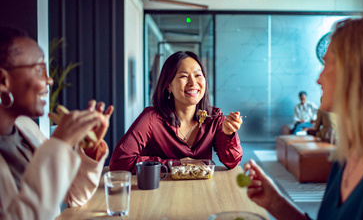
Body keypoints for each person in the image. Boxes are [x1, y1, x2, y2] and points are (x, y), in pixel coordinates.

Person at [244, 16, 363, 220]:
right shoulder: (348, 152)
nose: (318, 79)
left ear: (358, 73)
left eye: (327, 64)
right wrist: (275, 202)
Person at [0, 26, 114, 220]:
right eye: (39, 69)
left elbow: (74, 196)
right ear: (3, 80)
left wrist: (90, 149)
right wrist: (60, 143)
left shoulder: (26, 129)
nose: (49, 80)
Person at [109, 51, 243, 173]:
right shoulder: (151, 118)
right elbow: (119, 163)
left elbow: (232, 162)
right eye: (184, 76)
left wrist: (229, 134)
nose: (193, 82)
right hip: (160, 192)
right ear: (168, 85)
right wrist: (176, 164)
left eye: (198, 75)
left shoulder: (214, 117)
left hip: (203, 191)